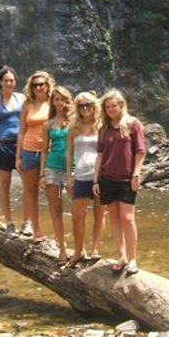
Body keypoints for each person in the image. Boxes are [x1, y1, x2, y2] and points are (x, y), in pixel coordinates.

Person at [93, 90, 145, 275]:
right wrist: (95, 180)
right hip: (107, 178)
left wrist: (136, 175)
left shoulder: (133, 124)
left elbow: (140, 152)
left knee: (128, 219)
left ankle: (133, 259)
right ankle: (121, 256)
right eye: (107, 107)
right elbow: (99, 155)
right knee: (114, 218)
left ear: (122, 105)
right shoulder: (103, 128)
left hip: (126, 179)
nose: (111, 109)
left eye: (114, 105)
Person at [64, 91, 105, 268]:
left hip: (100, 176)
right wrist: (68, 176)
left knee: (99, 214)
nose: (85, 108)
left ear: (94, 105)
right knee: (77, 216)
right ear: (77, 108)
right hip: (80, 176)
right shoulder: (74, 128)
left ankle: (95, 249)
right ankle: (79, 250)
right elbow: (69, 153)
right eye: (81, 105)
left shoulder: (102, 126)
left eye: (88, 104)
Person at [0, 66, 25, 235]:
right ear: (0, 82)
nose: (9, 83)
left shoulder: (23, 99)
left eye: (12, 80)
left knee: (28, 185)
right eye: (6, 80)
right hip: (3, 146)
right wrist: (4, 133)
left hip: (22, 146)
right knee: (4, 185)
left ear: (15, 82)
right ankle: (9, 223)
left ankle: (27, 222)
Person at [15, 71, 53, 240]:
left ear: (47, 85)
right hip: (29, 151)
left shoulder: (54, 103)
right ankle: (36, 230)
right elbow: (21, 132)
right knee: (31, 192)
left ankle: (56, 231)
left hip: (50, 152)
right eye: (35, 85)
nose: (38, 87)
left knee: (53, 193)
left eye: (41, 84)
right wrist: (18, 156)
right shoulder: (27, 104)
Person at [39, 86, 73, 263]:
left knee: (77, 209)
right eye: (56, 99)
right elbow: (44, 151)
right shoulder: (48, 124)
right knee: (56, 210)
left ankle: (79, 247)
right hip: (51, 168)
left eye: (62, 99)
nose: (59, 102)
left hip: (71, 169)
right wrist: (41, 175)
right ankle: (62, 249)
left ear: (68, 100)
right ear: (52, 101)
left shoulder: (74, 122)